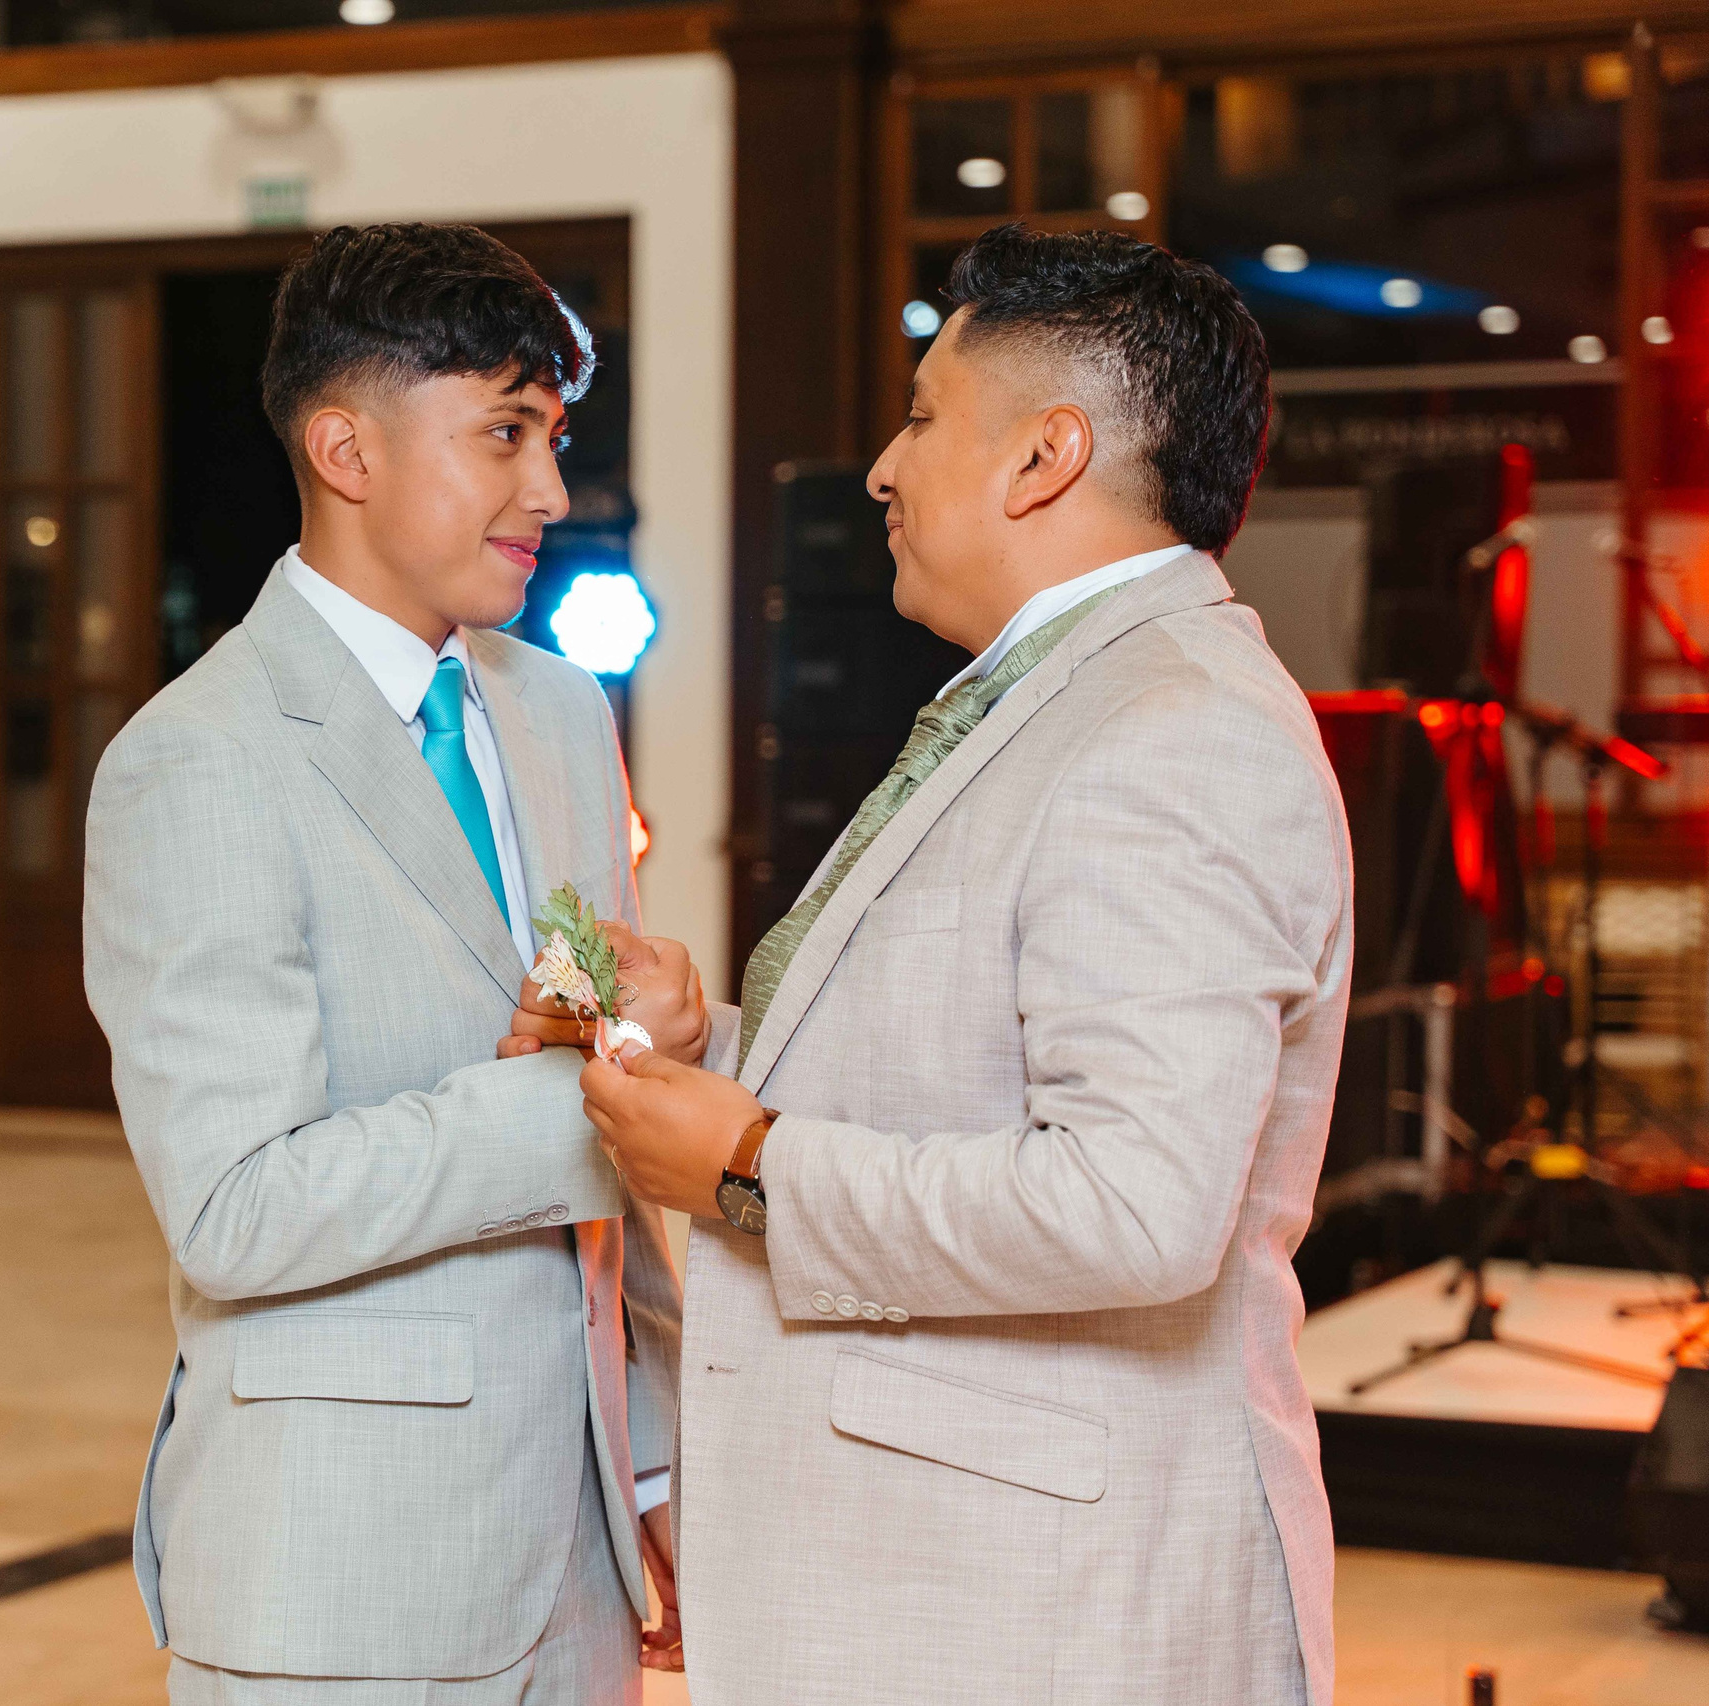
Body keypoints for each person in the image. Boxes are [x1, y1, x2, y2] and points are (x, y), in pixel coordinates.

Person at [509, 223, 1351, 1702]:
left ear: (1045, 457)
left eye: (920, 417)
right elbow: (970, 1064)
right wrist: (712, 1048)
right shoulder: (1065, 692)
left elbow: (1136, 1203)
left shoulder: (1175, 728)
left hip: (1057, 1614)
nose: (884, 470)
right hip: (964, 1578)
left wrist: (750, 1166)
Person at [84, 222, 696, 1704]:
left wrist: (657, 1458)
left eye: (554, 440)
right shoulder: (199, 757)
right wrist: (596, 1099)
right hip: (340, 1572)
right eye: (506, 434)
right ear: (346, 448)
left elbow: (599, 1187)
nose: (550, 491)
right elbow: (234, 1209)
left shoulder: (560, 711)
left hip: (577, 1557)